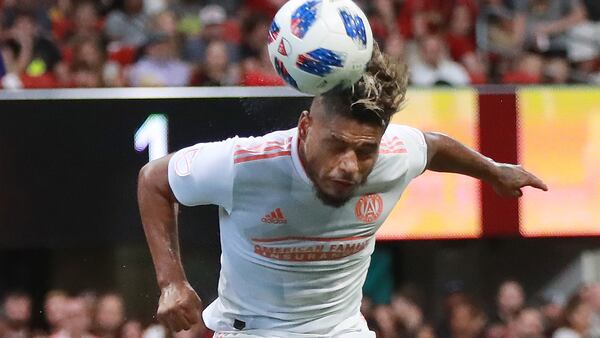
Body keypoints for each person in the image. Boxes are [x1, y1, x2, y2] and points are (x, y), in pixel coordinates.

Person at [137, 43, 548, 337]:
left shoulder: (394, 153)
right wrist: (171, 280)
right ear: (305, 128)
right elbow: (153, 181)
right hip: (252, 329)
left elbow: (435, 146)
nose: (349, 165)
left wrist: (494, 171)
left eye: (365, 150)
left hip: (342, 329)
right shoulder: (244, 165)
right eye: (336, 145)